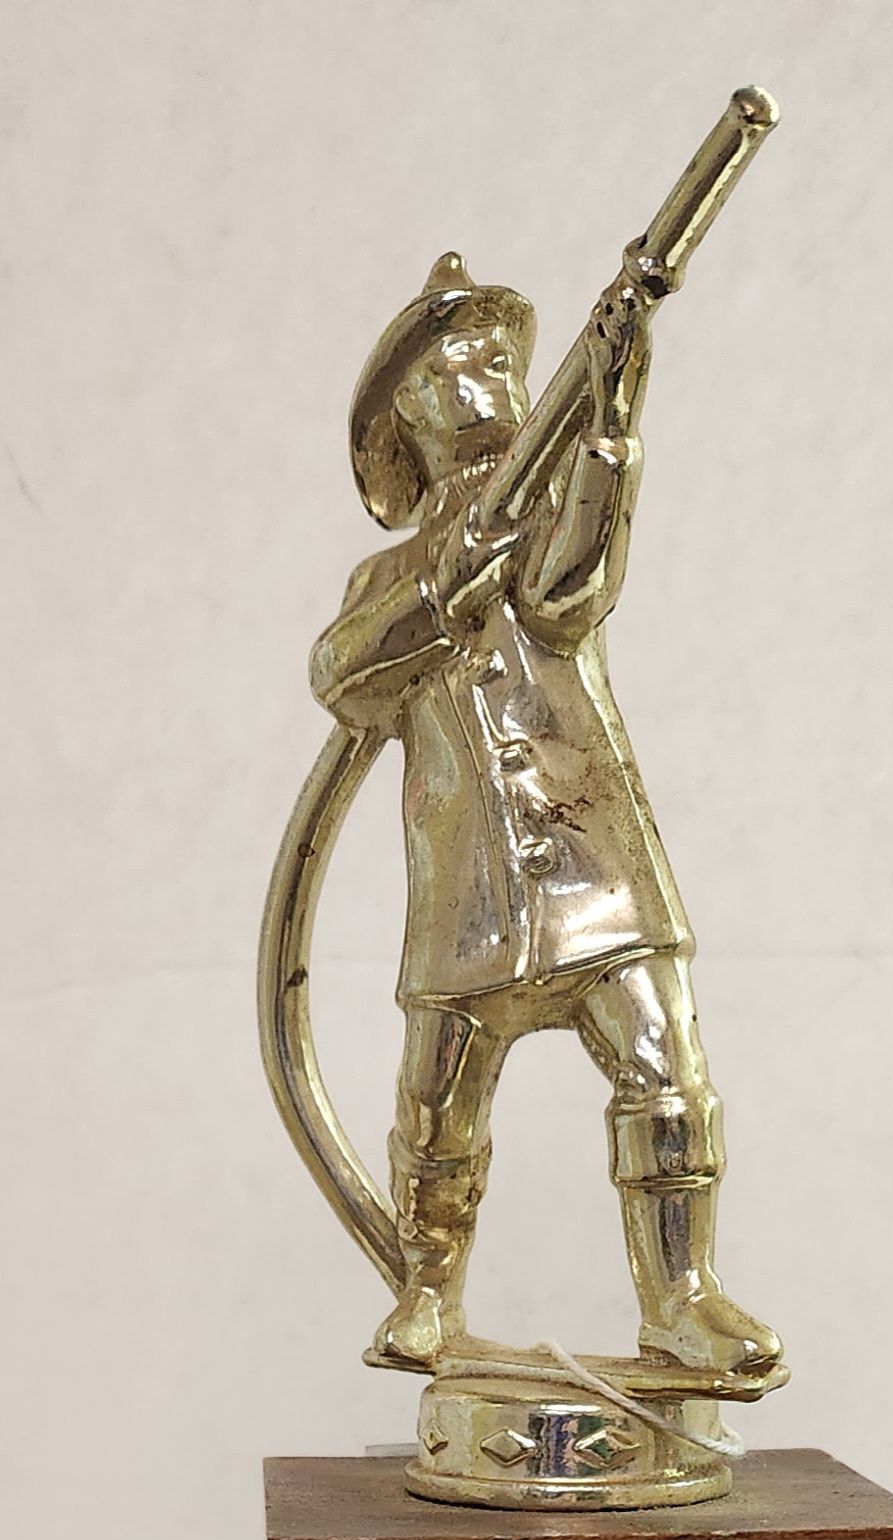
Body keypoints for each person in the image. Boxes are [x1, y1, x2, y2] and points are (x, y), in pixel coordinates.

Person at [308, 251, 781, 1389]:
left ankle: (681, 1297)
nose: (484, 375)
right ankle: (429, 1290)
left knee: (666, 1071)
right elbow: (342, 674)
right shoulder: (386, 576)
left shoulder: (547, 506)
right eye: (451, 365)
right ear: (408, 419)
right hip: (466, 893)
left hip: (596, 866)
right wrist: (440, 590)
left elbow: (572, 590)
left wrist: (610, 426)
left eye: (495, 355)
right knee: (438, 1109)